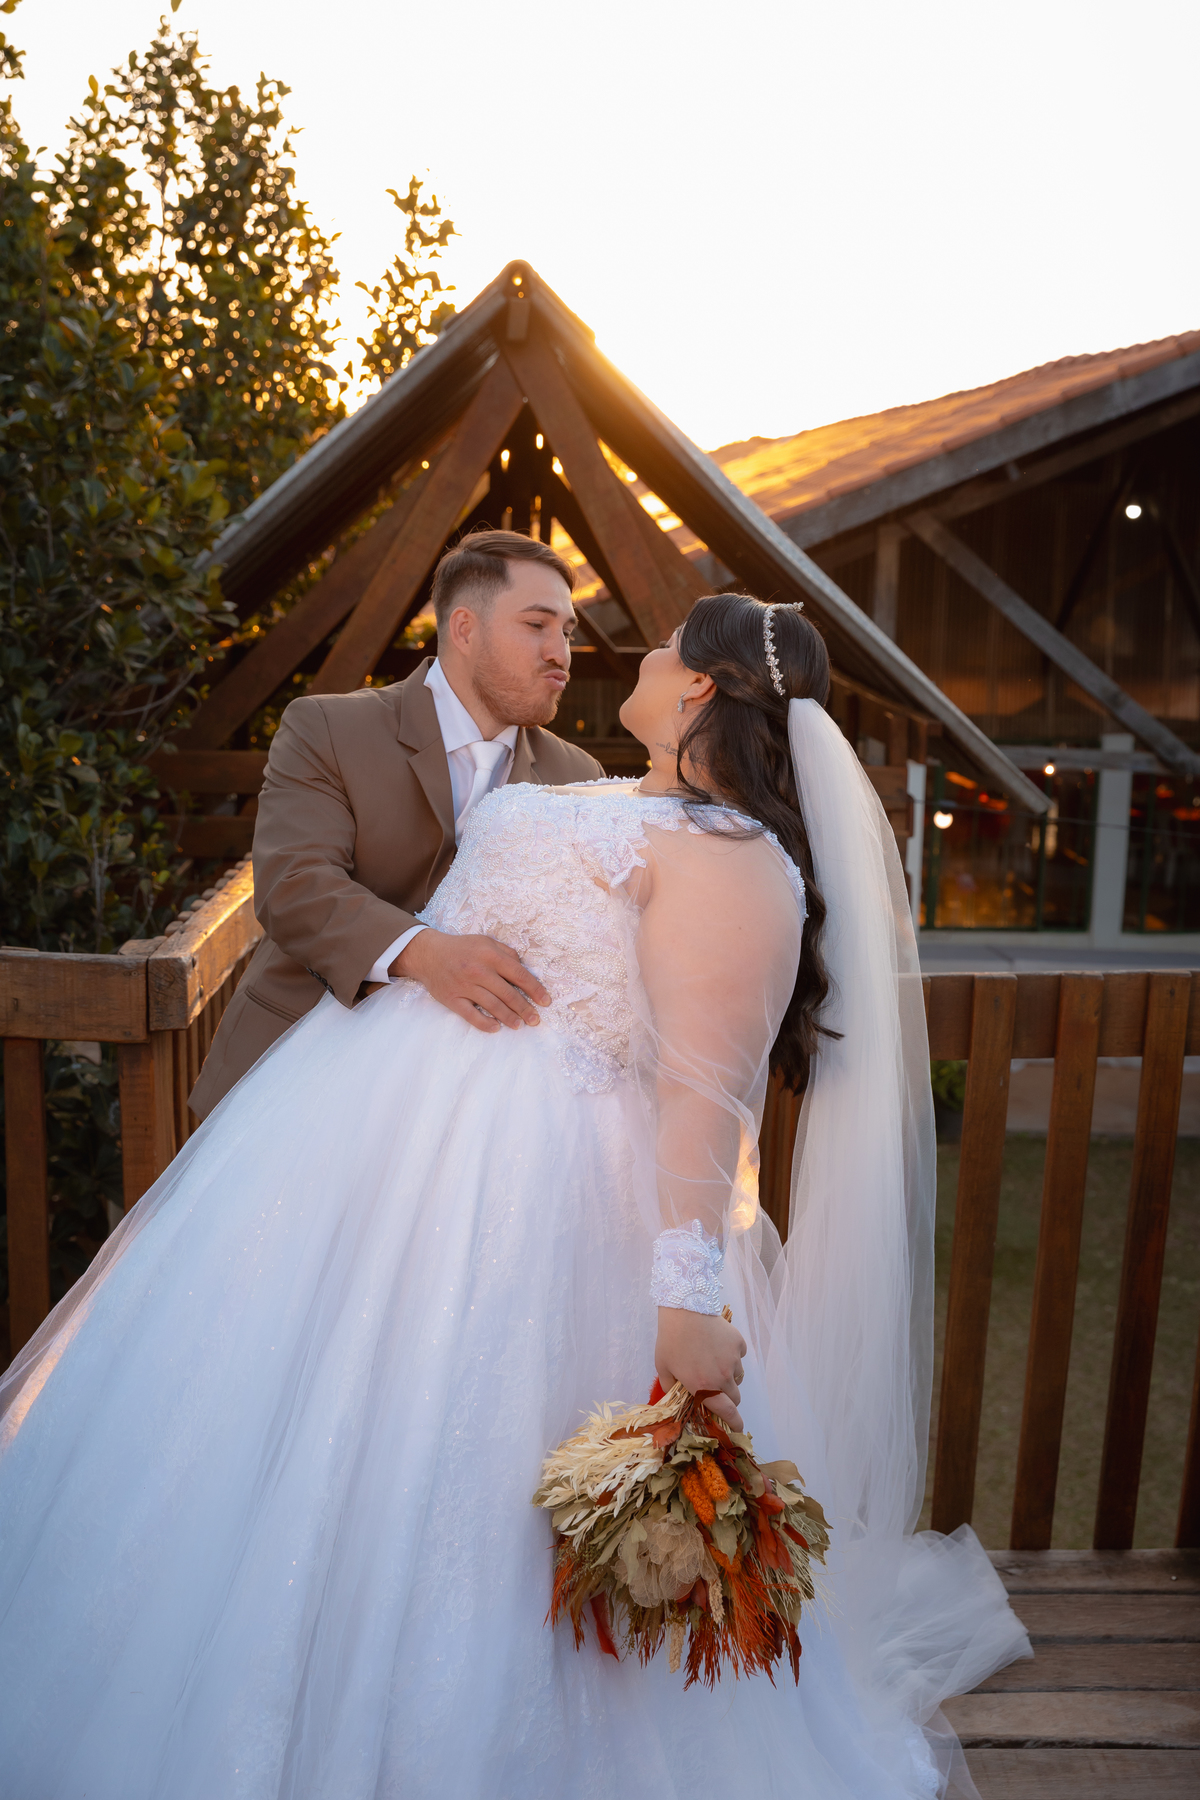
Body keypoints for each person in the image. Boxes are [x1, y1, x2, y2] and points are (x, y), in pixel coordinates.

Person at [0, 594, 1028, 1799]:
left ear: (699, 686)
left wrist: (685, 1299)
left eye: (662, 646)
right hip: (362, 1160)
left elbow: (704, 1095)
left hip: (541, 1197)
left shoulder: (737, 862)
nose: (631, 655)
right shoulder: (596, 796)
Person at [189, 528, 605, 1120]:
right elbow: (293, 886)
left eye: (567, 632)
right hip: (302, 1076)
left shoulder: (578, 775)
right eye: (537, 625)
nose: (560, 653)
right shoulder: (328, 729)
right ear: (464, 629)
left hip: (479, 1105)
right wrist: (425, 954)